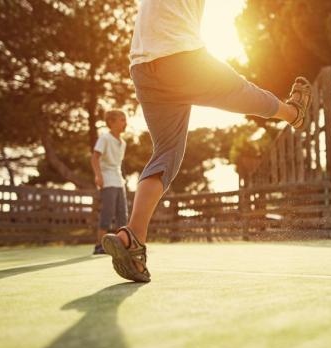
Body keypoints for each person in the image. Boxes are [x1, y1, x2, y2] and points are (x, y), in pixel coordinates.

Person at [101, 0, 312, 282]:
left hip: (142, 66)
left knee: (165, 154)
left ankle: (133, 236)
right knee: (241, 92)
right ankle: (293, 114)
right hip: (182, 56)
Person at [91, 110, 129, 254]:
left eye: (125, 120)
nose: (125, 123)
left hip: (119, 181)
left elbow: (119, 164)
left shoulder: (123, 142)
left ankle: (122, 244)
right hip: (107, 179)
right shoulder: (105, 138)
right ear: (111, 122)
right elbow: (94, 158)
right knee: (107, 212)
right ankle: (99, 245)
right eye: (121, 119)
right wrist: (98, 176)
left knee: (122, 214)